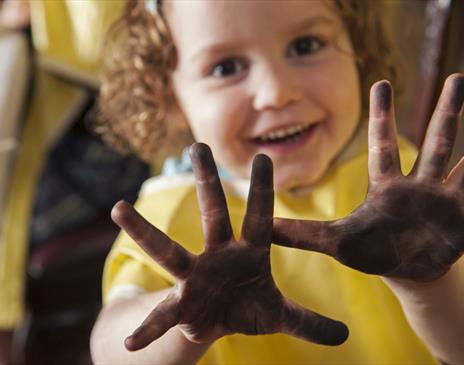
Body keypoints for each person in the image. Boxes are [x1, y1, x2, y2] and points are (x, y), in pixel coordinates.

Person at [90, 0, 464, 364]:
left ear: (356, 48)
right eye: (226, 68)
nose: (277, 92)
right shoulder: (169, 212)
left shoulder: (399, 186)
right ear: (169, 98)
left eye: (306, 45)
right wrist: (181, 320)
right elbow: (110, 350)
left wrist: (429, 287)